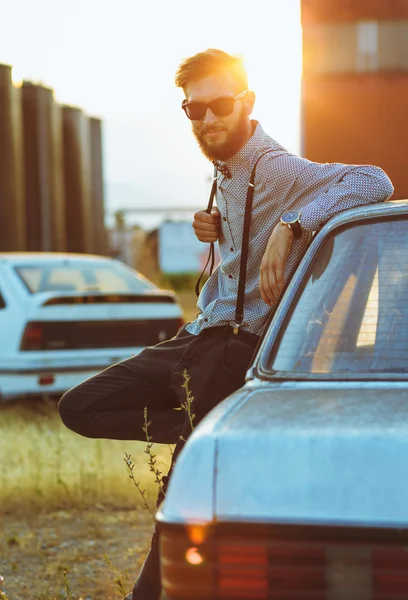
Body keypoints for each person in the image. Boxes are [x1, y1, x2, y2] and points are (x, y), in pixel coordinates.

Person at [58, 49, 394, 600]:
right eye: (195, 110)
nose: (209, 119)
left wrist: (293, 223)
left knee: (178, 504)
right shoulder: (226, 173)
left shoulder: (276, 168)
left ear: (247, 102)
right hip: (196, 337)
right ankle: (201, 432)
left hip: (233, 349)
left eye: (219, 105)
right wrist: (212, 228)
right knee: (79, 406)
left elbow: (374, 180)